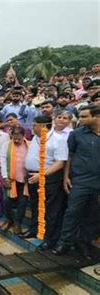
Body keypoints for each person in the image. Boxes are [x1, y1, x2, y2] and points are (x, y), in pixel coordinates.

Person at [52, 104, 100, 260]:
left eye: (84, 116)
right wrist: (66, 177)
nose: (80, 119)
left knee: (93, 215)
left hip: (97, 183)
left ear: (96, 117)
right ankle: (64, 243)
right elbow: (70, 157)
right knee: (72, 212)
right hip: (80, 181)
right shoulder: (76, 134)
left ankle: (84, 243)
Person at [21, 115, 68, 251]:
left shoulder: (58, 140)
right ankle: (34, 229)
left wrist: (41, 175)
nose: (32, 127)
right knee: (35, 204)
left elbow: (60, 162)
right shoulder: (36, 137)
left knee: (51, 209)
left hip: (49, 178)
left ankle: (50, 239)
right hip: (32, 176)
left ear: (42, 126)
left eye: (34, 124)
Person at [0, 126, 30, 234]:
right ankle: (9, 220)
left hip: (24, 179)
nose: (16, 140)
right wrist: (4, 177)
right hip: (10, 179)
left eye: (19, 138)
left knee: (23, 202)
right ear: (11, 136)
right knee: (7, 201)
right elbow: (2, 160)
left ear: (23, 136)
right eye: (14, 138)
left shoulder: (29, 145)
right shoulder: (6, 145)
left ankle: (18, 223)